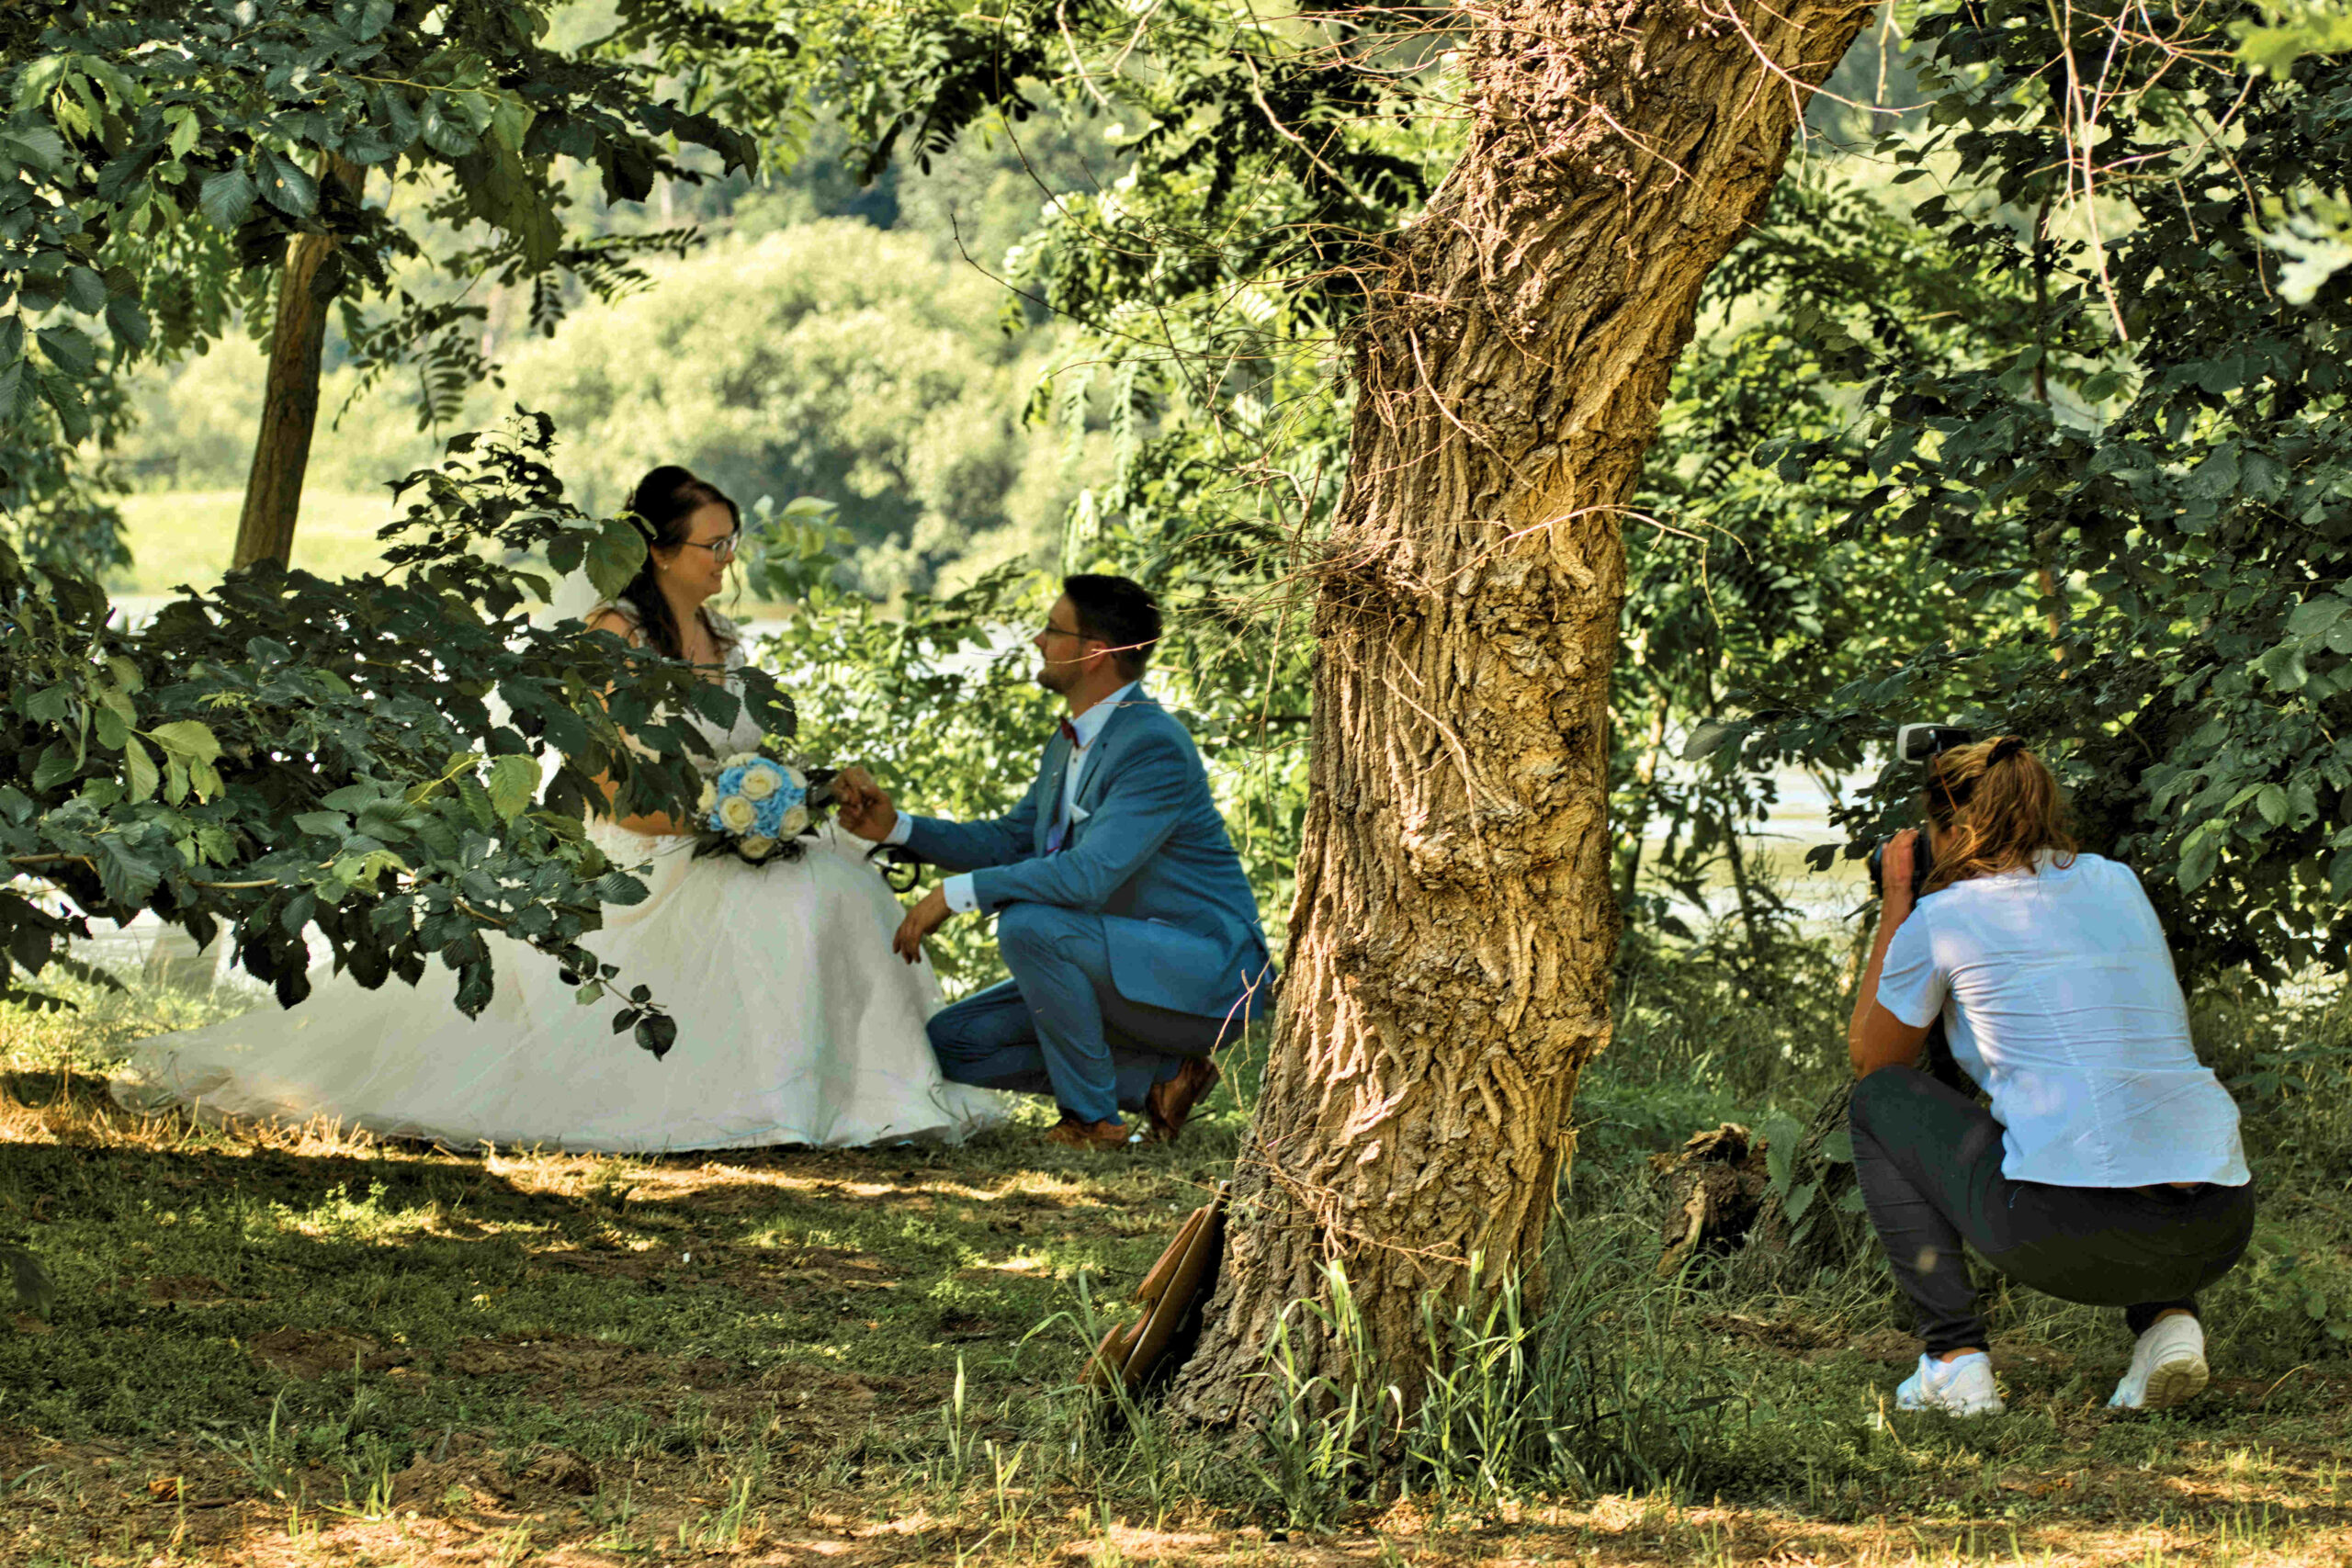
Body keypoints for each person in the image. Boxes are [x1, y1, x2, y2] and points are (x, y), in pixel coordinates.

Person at [111, 467, 1004, 1151]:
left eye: (733, 543)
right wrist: (716, 827)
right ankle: (768, 1100)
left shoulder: (725, 641)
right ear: (659, 551)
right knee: (802, 904)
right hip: (642, 849)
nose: (729, 559)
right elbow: (608, 786)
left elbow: (745, 759)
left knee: (845, 888)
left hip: (721, 837)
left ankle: (868, 1095)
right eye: (714, 544)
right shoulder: (610, 641)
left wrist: (798, 795)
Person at [1846, 737, 2254, 1417]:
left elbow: (1874, 1058)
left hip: (2068, 1233)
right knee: (2121, 1095)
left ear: (1950, 832)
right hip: (2218, 1221)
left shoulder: (1941, 916)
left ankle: (1953, 1360)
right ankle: (2170, 1325)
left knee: (1879, 1100)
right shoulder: (2115, 880)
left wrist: (1898, 898)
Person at [832, 575, 1276, 1151]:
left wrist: (956, 893)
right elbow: (1015, 840)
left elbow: (1089, 873)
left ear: (1094, 654)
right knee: (955, 1041)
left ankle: (1093, 1121)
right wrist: (896, 829)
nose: (1038, 641)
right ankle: (1162, 1080)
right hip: (1116, 963)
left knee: (1030, 924)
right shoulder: (1070, 739)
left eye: (1052, 630)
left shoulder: (1153, 745)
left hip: (1205, 978)